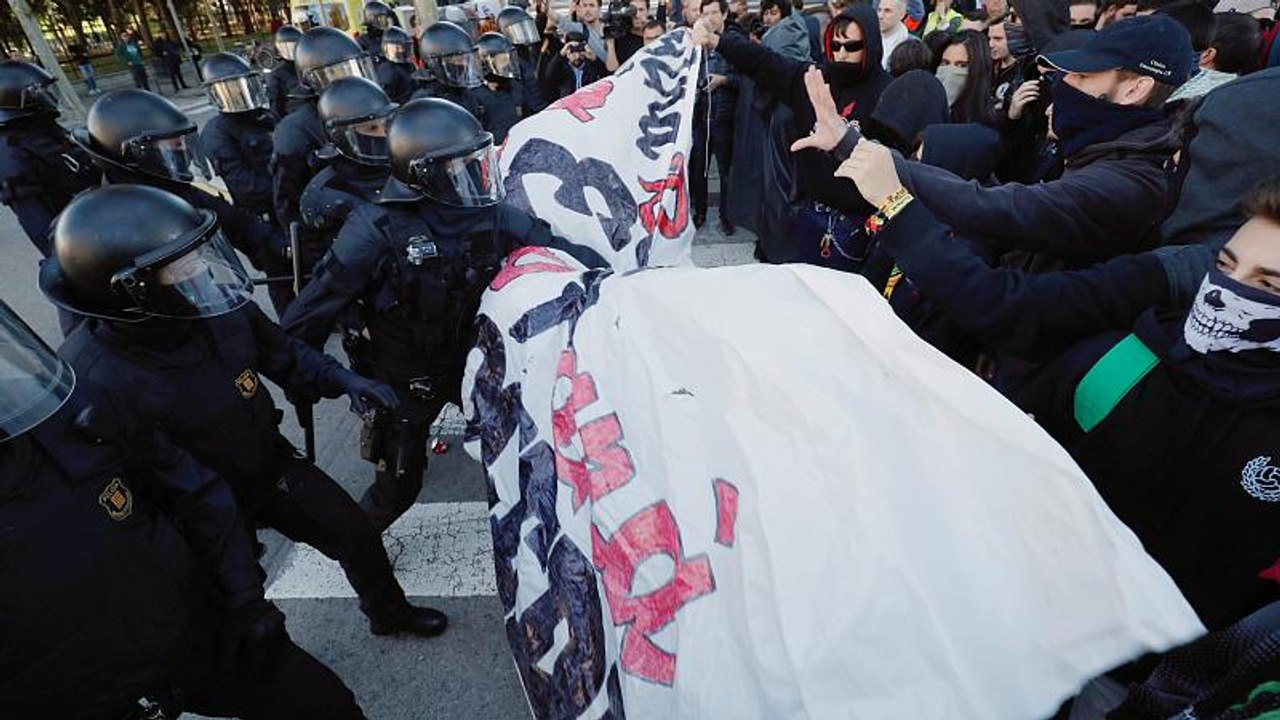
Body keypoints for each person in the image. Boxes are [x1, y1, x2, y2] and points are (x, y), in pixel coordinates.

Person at [836, 140, 1280, 631]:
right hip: (1031, 617)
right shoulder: (1121, 364)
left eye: (1267, 287)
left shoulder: (1126, 189)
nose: (1224, 293)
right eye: (1224, 266)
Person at [42, 184, 450, 640]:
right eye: (180, 262)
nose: (199, 267)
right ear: (132, 291)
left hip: (263, 462)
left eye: (198, 251)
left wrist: (345, 380)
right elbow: (164, 490)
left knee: (354, 533)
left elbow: (285, 352)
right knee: (243, 610)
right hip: (193, 509)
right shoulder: (95, 380)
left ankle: (388, 612)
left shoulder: (205, 305)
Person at [0, 299, 368, 719]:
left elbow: (191, 491)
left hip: (198, 634)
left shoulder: (63, 406)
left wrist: (243, 596)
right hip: (90, 697)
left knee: (326, 704)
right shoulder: (96, 365)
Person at [281, 98, 602, 531]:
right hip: (406, 381)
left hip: (477, 365)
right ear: (422, 174)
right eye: (458, 166)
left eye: (475, 161)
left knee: (540, 453)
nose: (472, 174)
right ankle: (359, 557)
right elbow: (308, 315)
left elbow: (562, 253)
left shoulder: (490, 216)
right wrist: (322, 379)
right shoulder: (375, 229)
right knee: (397, 487)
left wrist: (626, 283)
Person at [694, 2, 891, 268]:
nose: (842, 53)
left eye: (852, 46)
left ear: (870, 46)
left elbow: (898, 171)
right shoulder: (815, 79)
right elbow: (765, 62)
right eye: (835, 45)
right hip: (807, 215)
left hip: (859, 225)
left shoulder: (889, 92)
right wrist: (717, 42)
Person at [74, 89, 292, 316]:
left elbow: (238, 223)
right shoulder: (92, 224)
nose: (183, 152)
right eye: (172, 147)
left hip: (211, 296)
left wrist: (285, 247)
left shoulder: (172, 187)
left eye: (183, 143)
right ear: (136, 152)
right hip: (164, 323)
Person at [274, 26, 377, 282]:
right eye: (338, 74)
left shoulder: (371, 108)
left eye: (354, 69)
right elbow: (289, 204)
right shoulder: (295, 131)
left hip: (378, 227)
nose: (351, 81)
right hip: (337, 241)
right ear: (313, 80)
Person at [0, 61, 99, 259]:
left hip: (101, 215)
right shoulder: (9, 152)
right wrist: (65, 261)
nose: (49, 96)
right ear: (22, 98)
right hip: (83, 240)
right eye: (41, 91)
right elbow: (37, 222)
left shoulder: (41, 128)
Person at [199, 52, 277, 222]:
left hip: (286, 196)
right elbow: (245, 185)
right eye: (231, 89)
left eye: (243, 86)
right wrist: (286, 188)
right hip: (263, 212)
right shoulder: (216, 133)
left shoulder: (262, 116)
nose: (239, 93)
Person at [691, 0, 739, 233]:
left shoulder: (734, 42)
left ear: (724, 14)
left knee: (726, 171)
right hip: (700, 117)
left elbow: (746, 79)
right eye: (705, 13)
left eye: (714, 13)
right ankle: (699, 212)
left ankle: (727, 215)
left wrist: (725, 80)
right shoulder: (694, 43)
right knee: (699, 167)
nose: (710, 18)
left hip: (725, 117)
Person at [413, 20, 486, 122]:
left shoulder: (464, 92)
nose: (463, 64)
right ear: (435, 63)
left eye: (465, 59)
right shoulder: (425, 103)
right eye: (457, 60)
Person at [933, 29, 998, 125]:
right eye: (945, 63)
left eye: (962, 65)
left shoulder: (991, 119)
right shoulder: (928, 108)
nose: (951, 71)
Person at [473, 32, 527, 144]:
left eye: (509, 60)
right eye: (503, 60)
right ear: (487, 62)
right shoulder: (474, 95)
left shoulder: (515, 86)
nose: (507, 65)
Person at [497, 6, 549, 112]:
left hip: (539, 105)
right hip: (526, 111)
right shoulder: (505, 57)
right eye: (520, 29)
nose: (525, 33)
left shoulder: (524, 51)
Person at [546, 30, 608, 99]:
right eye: (573, 52)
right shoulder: (561, 67)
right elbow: (549, 75)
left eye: (580, 51)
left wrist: (594, 59)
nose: (577, 56)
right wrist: (561, 54)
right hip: (569, 103)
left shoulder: (590, 66)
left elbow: (605, 76)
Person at [267, 25, 307, 117]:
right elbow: (276, 105)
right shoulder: (277, 74)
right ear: (278, 50)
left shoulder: (309, 65)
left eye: (294, 46)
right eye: (286, 48)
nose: (291, 51)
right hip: (296, 118)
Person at [377, 25, 416, 102]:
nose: (401, 50)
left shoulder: (408, 65)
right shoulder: (387, 69)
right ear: (386, 48)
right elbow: (386, 98)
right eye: (397, 48)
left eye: (404, 47)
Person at [877, 0, 911, 70]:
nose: (880, 16)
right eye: (879, 10)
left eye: (887, 11)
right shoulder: (868, 35)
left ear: (902, 14)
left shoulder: (910, 47)